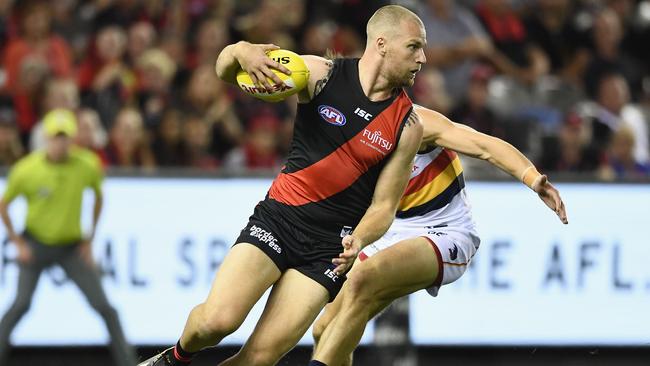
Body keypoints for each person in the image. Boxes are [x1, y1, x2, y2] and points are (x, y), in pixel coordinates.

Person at [139, 5, 426, 366]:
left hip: (329, 251)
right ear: (382, 43)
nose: (423, 58)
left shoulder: (408, 125)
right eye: (414, 47)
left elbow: (384, 206)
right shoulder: (321, 73)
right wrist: (241, 50)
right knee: (215, 322)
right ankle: (174, 359)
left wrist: (360, 240)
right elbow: (224, 69)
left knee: (259, 358)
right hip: (278, 221)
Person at [309, 104, 568, 366]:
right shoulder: (346, 127)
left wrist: (533, 179)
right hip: (390, 231)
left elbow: (485, 146)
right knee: (324, 330)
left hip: (446, 231)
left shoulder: (415, 121)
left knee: (362, 279)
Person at [0, 109, 137, 366]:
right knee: (20, 305)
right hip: (36, 242)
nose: (60, 143)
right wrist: (18, 242)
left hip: (70, 247)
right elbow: (3, 204)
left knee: (105, 307)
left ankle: (128, 362)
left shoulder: (86, 164)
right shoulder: (27, 170)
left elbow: (98, 196)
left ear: (72, 140)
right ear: (46, 138)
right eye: (55, 137)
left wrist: (90, 238)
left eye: (64, 138)